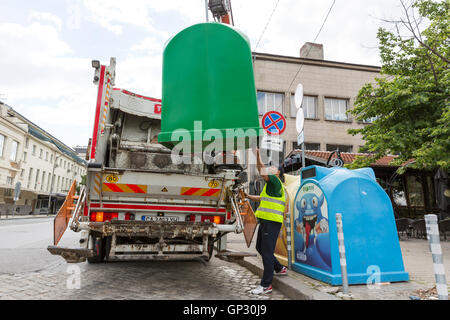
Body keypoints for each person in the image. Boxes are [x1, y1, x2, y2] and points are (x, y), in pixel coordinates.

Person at [245, 148, 288, 295]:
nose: (270, 168)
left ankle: (266, 285)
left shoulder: (275, 181)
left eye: (273, 167)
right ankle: (280, 268)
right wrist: (249, 196)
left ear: (278, 173)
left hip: (271, 222)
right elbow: (262, 199)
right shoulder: (270, 186)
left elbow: (261, 170)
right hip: (266, 221)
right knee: (260, 248)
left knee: (267, 252)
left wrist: (257, 155)